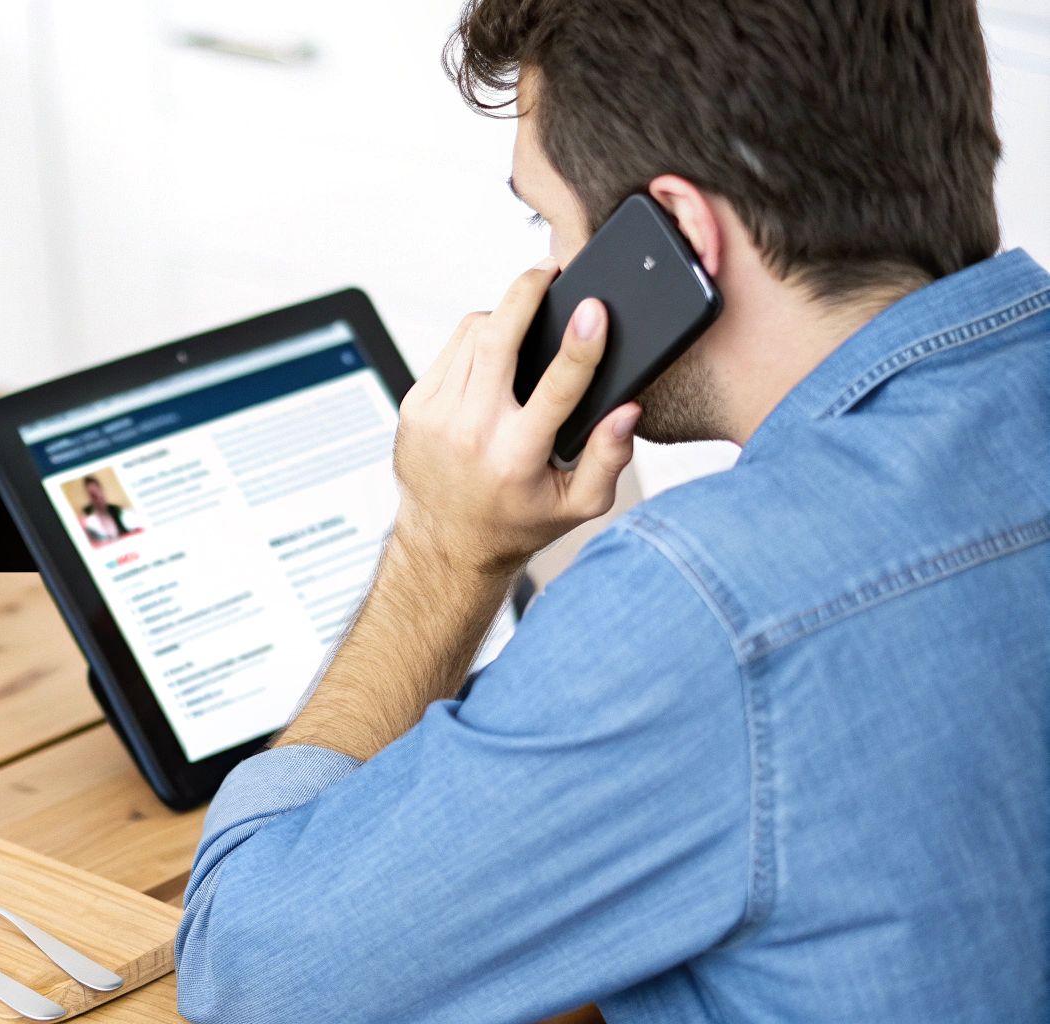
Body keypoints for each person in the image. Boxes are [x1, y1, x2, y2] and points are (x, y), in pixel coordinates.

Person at [174, 1, 1048, 1021]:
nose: (546, 275)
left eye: (546, 222)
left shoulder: (705, 612)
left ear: (676, 236)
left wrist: (444, 550)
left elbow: (248, 977)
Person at [77, 475, 138, 546]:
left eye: (98, 492)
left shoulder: (119, 511)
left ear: (102, 491)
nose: (97, 498)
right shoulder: (88, 522)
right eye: (93, 495)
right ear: (89, 497)